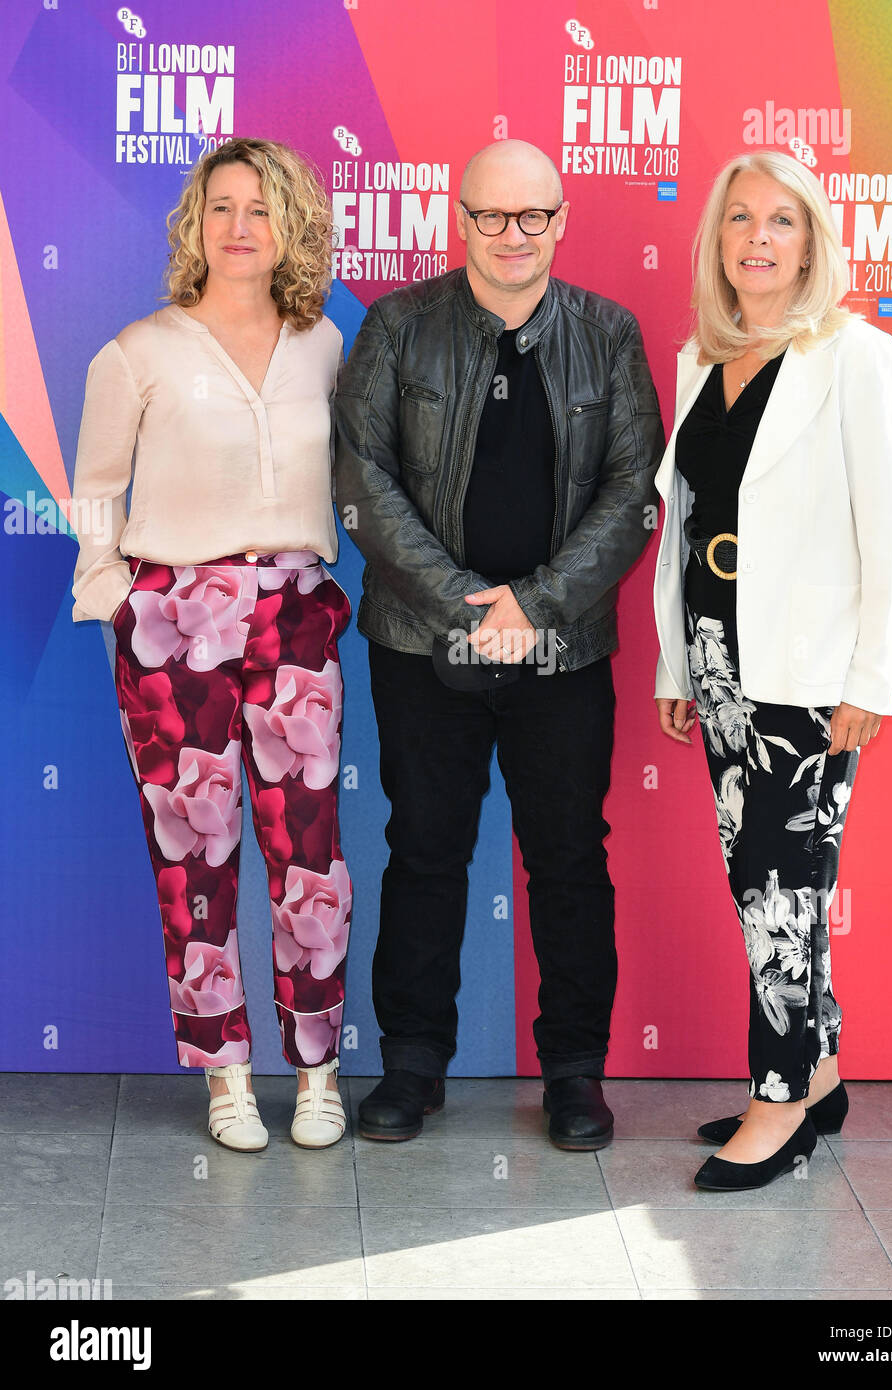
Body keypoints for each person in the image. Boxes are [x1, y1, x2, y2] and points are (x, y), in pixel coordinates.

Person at [334, 139, 663, 1150]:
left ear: (561, 222)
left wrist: (538, 605)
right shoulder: (396, 326)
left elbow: (631, 492)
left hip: (561, 656)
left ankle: (574, 1072)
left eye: (532, 218)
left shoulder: (608, 334)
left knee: (567, 859)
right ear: (457, 217)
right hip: (419, 647)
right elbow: (362, 481)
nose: (511, 236)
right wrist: (464, 606)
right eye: (490, 216)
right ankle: (412, 1064)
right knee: (424, 850)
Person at [70, 138, 353, 1152]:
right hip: (173, 617)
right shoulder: (138, 350)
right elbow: (97, 484)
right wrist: (114, 595)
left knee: (307, 852)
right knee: (194, 854)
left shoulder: (322, 343)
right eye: (221, 206)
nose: (240, 226)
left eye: (261, 208)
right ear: (194, 225)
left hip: (296, 607)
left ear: (292, 228)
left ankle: (317, 1067)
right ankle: (224, 1069)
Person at [652, 150, 892, 1190]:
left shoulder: (854, 355)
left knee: (778, 892)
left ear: (811, 242)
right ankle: (823, 1072)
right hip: (720, 653)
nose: (758, 239)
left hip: (806, 671)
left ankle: (778, 1097)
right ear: (716, 240)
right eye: (740, 220)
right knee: (769, 883)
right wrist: (681, 658)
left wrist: (871, 678)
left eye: (783, 222)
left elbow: (885, 529)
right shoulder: (697, 359)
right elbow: (684, 525)